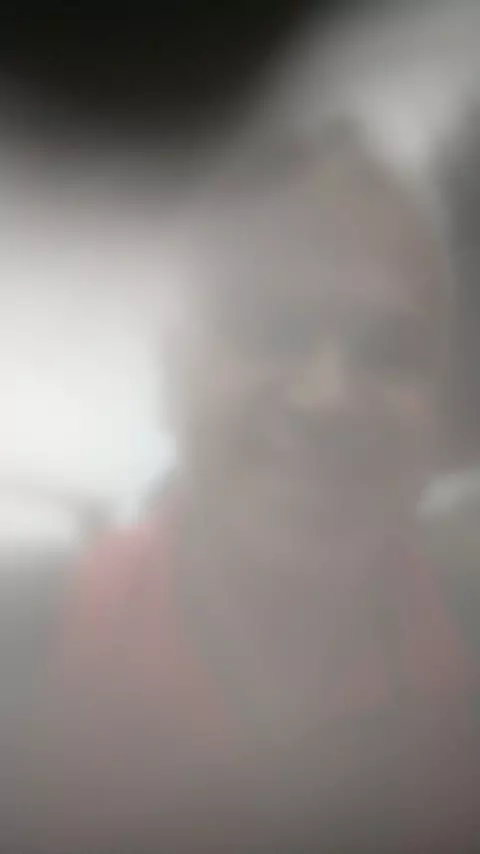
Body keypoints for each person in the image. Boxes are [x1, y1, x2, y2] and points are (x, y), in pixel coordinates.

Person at [26, 124, 480, 852]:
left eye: (390, 349)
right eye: (275, 330)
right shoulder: (27, 643)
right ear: (173, 375)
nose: (329, 396)